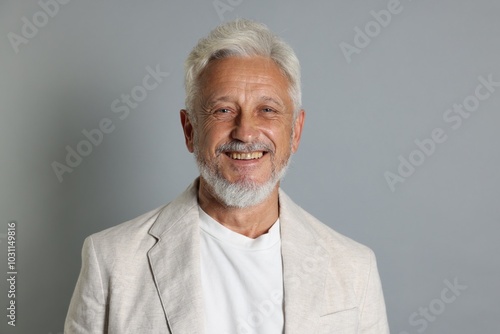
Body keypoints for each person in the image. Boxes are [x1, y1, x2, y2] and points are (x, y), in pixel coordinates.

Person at [65, 19, 389, 334]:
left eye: (267, 110)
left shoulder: (354, 268)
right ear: (190, 130)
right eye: (223, 110)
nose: (245, 132)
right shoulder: (111, 261)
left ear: (296, 131)